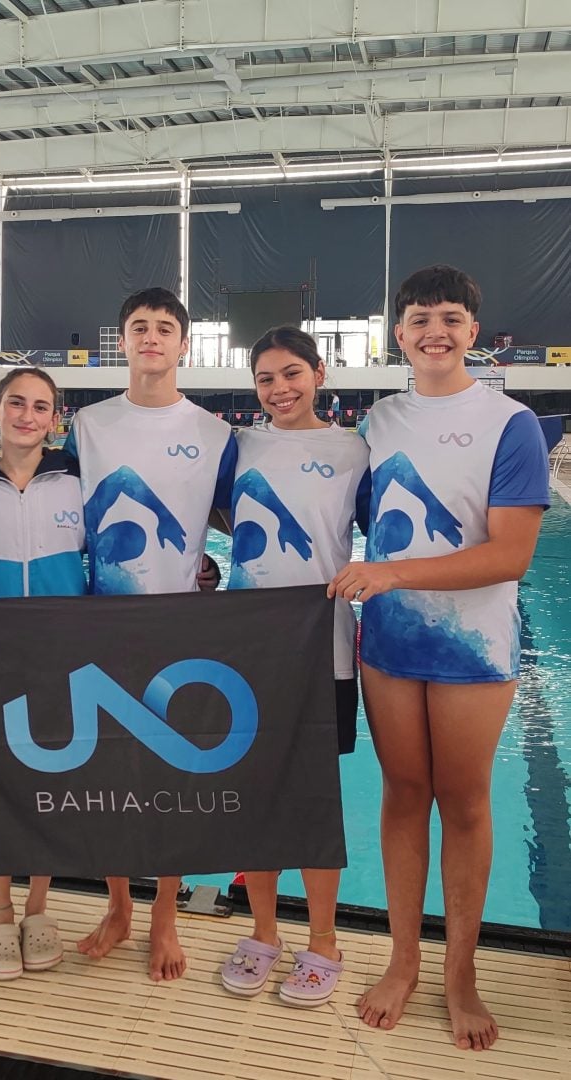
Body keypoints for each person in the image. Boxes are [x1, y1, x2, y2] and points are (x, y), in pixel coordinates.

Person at [329, 265, 550, 1051]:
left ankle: (461, 974)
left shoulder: (510, 423)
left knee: (462, 803)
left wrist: (390, 573)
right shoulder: (377, 422)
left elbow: (512, 555)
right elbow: (337, 517)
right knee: (401, 795)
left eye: (451, 317)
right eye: (420, 318)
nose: (435, 331)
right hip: (389, 642)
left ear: (474, 330)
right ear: (398, 333)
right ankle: (402, 963)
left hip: (472, 645)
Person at [64, 287, 236, 981]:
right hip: (102, 622)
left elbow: (234, 516)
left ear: (184, 344)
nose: (153, 338)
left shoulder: (216, 431)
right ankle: (117, 907)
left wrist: (212, 562)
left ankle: (164, 915)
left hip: (180, 626)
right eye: (140, 326)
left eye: (166, 328)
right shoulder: (88, 424)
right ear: (123, 340)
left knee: (172, 780)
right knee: (105, 776)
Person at [218, 327, 369, 1005]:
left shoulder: (353, 449)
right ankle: (264, 933)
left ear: (320, 373)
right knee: (253, 795)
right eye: (265, 379)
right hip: (247, 642)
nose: (279, 389)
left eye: (291, 374)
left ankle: (325, 941)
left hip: (322, 642)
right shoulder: (240, 446)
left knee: (312, 798)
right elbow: (216, 517)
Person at [0, 367, 87, 981]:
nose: (28, 416)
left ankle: (37, 909)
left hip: (60, 650)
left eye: (41, 406)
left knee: (49, 776)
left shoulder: (76, 481)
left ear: (55, 417)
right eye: (17, 404)